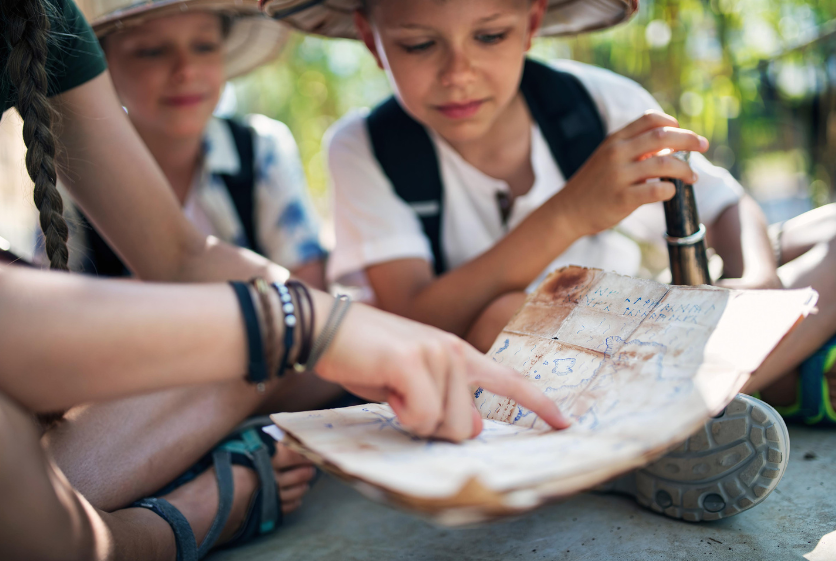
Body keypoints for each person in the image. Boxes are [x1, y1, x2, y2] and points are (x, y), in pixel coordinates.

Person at [0, 1, 567, 559]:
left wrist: (348, 327)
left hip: (65, 437)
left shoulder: (46, 19)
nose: (184, 70)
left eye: (203, 47)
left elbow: (182, 254)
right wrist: (302, 325)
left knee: (241, 364)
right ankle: (196, 512)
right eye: (152, 51)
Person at [265, 0, 833, 521]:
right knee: (504, 315)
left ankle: (652, 433)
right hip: (511, 366)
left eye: (489, 36)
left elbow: (723, 199)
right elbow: (416, 318)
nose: (458, 72)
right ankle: (698, 415)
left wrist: (757, 281)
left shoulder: (597, 102)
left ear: (532, 23)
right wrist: (568, 214)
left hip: (642, 334)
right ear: (371, 37)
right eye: (419, 45)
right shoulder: (365, 146)